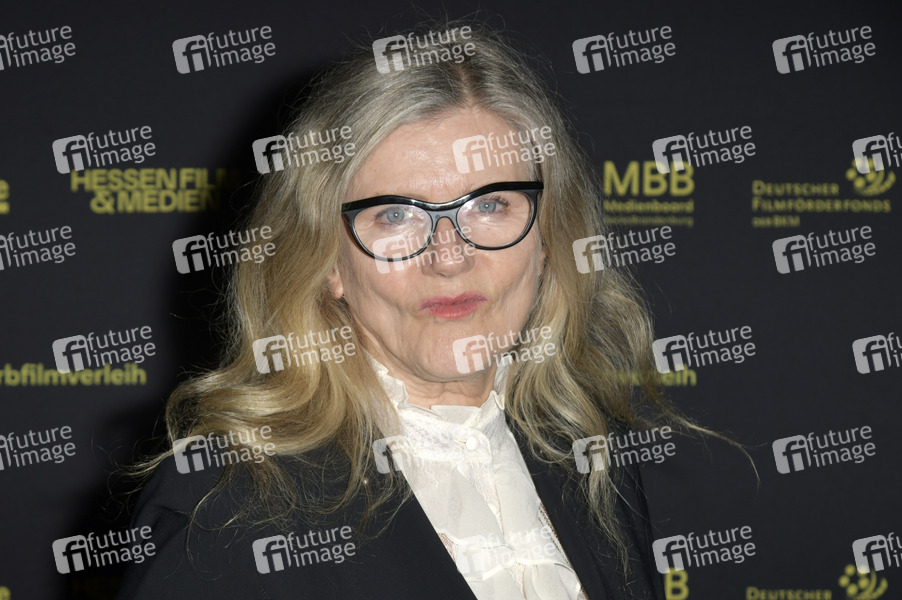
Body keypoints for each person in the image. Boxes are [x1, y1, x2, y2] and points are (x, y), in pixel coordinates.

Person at [116, 20, 691, 599]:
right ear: (328, 262)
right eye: (396, 215)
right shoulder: (227, 501)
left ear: (548, 240)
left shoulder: (586, 450)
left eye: (490, 205)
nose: (450, 258)